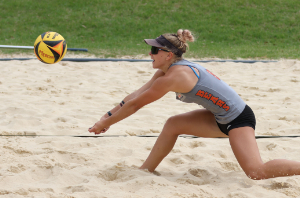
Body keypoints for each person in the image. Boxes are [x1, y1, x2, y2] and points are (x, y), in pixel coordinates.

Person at [89, 29, 300, 179]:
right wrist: (106, 117)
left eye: (154, 51)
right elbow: (135, 95)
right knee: (173, 124)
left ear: (168, 54)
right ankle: (145, 171)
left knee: (256, 172)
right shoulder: (167, 70)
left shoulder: (174, 77)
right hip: (219, 118)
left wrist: (106, 123)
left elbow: (135, 106)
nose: (149, 54)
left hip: (239, 119)